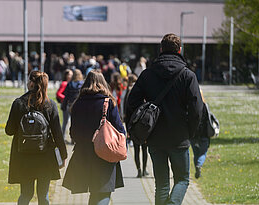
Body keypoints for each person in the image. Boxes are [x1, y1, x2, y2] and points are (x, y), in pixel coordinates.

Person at [125, 33, 203, 205]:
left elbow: (132, 102)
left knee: (161, 184)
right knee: (182, 180)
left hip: (154, 136)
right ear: (180, 50)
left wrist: (140, 126)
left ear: (161, 49)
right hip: (179, 136)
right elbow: (197, 109)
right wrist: (190, 131)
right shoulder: (188, 75)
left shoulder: (147, 74)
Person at [62, 70, 125, 205]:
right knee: (103, 192)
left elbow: (73, 133)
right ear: (103, 83)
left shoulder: (77, 103)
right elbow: (120, 130)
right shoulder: (108, 103)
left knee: (94, 193)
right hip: (105, 153)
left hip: (83, 154)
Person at [5, 71, 68, 205]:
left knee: (26, 194)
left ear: (32, 83)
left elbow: (9, 131)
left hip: (23, 155)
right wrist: (63, 155)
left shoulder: (19, 103)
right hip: (44, 156)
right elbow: (57, 134)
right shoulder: (50, 105)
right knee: (43, 195)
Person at [61, 69, 84, 144]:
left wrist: (63, 105)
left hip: (70, 105)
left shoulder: (70, 84)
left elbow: (66, 96)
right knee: (77, 123)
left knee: (67, 123)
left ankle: (63, 138)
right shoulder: (82, 84)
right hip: (79, 106)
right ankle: (75, 139)